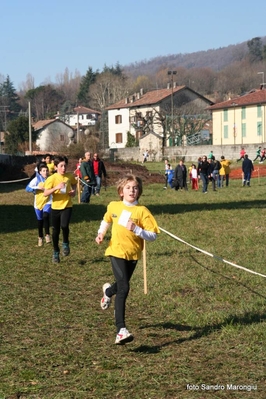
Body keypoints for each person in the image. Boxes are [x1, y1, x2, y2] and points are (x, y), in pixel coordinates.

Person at [95, 174, 159, 345]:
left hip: (133, 254)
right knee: (124, 287)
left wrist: (137, 229)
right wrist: (101, 233)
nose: (132, 190)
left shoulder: (142, 211)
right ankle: (120, 330)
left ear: (139, 192)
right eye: (128, 187)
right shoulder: (114, 206)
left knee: (120, 285)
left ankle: (108, 292)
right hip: (116, 251)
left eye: (135, 187)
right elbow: (106, 220)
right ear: (121, 191)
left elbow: (153, 235)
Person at [43, 156, 77, 263]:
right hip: (55, 207)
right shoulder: (51, 178)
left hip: (67, 205)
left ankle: (66, 243)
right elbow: (45, 193)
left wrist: (74, 192)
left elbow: (74, 184)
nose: (63, 168)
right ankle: (56, 252)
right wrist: (55, 188)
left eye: (65, 166)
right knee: (55, 231)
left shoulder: (69, 176)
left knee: (64, 225)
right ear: (56, 166)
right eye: (61, 166)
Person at [26, 163, 52, 246]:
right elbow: (27, 188)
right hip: (38, 203)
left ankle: (47, 235)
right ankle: (40, 237)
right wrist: (37, 187)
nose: (45, 172)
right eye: (43, 171)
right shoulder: (36, 179)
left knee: (46, 216)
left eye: (46, 170)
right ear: (40, 172)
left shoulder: (51, 178)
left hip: (48, 201)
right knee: (40, 221)